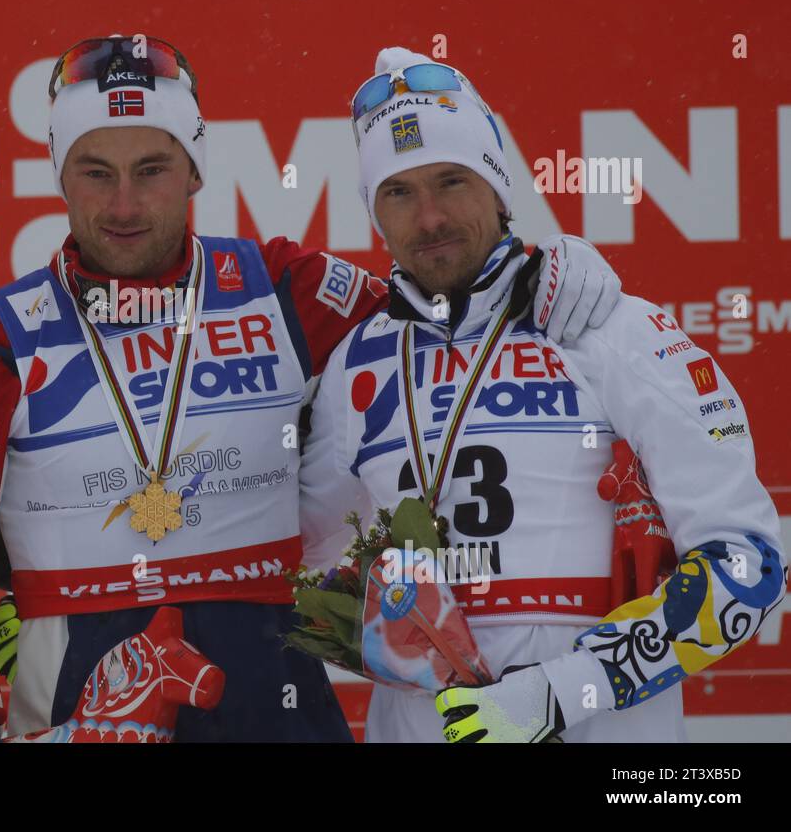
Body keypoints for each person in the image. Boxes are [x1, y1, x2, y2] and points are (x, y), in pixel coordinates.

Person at [0, 36, 621, 741]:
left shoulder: (284, 291)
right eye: (94, 172)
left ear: (196, 170)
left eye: (151, 169)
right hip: (85, 706)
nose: (122, 204)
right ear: (59, 173)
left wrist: (539, 264)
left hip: (271, 704)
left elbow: (448, 307)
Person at [299, 47, 787, 742]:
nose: (430, 216)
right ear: (375, 213)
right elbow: (289, 556)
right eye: (399, 192)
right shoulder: (357, 364)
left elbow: (749, 565)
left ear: (500, 190)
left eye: (452, 181)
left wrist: (561, 693)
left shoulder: (608, 327)